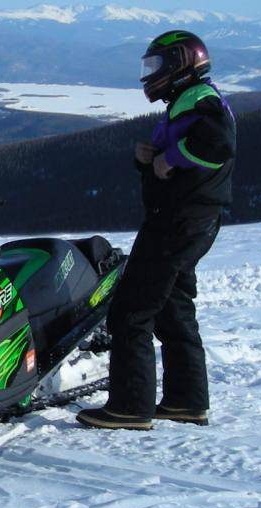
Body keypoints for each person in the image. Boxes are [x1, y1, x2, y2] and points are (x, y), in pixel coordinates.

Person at [77, 30, 235, 430]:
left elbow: (217, 146)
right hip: (188, 217)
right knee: (173, 307)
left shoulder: (201, 99)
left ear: (181, 64)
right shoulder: (188, 100)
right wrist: (150, 160)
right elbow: (184, 155)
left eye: (156, 67)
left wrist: (173, 157)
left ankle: (130, 407)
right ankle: (187, 400)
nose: (150, 76)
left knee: (132, 310)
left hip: (178, 220)